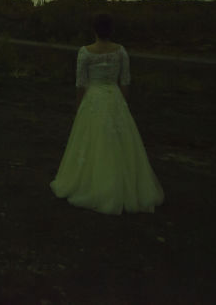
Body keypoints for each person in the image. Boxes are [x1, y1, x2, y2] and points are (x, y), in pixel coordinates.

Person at [50, 12, 164, 214]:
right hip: (114, 99)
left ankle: (97, 186)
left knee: (92, 142)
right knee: (121, 144)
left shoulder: (85, 52)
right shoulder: (120, 51)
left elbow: (80, 84)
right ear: (111, 30)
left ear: (94, 29)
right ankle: (119, 186)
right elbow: (125, 82)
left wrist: (79, 108)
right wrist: (123, 105)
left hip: (93, 100)